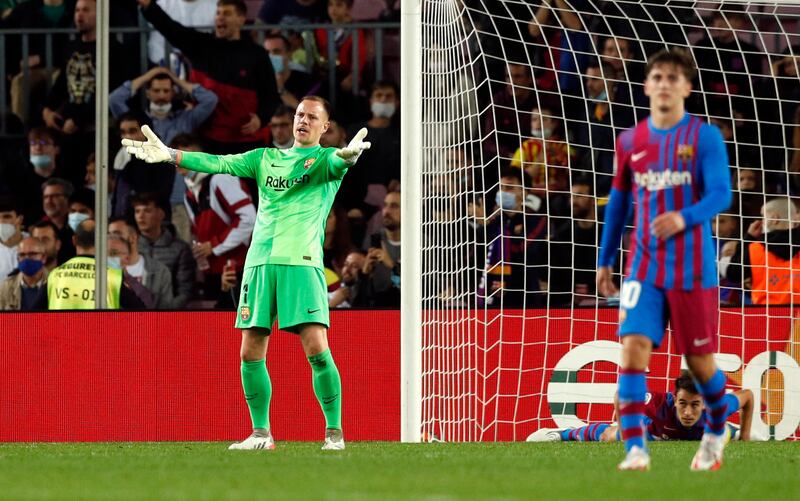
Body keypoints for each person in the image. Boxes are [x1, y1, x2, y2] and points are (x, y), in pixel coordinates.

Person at [123, 95, 371, 450]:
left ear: (325, 127)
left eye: (312, 117)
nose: (303, 121)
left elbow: (337, 160)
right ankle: (261, 434)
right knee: (250, 352)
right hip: (258, 263)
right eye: (299, 114)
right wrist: (173, 156)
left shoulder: (323, 161)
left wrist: (346, 156)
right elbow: (219, 163)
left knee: (316, 350)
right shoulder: (264, 158)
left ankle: (334, 433)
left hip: (300, 263)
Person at [596, 49, 733, 471]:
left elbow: (721, 194)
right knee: (633, 349)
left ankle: (715, 429)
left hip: (693, 269)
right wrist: (605, 261)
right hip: (644, 265)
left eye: (674, 77)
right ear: (646, 85)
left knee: (699, 363)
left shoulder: (703, 137)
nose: (664, 83)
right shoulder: (630, 141)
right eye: (657, 76)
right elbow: (618, 205)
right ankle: (636, 450)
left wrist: (683, 216)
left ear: (686, 88)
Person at [138, 0, 280, 154]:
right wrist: (149, 5)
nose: (220, 17)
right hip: (207, 140)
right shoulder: (201, 45)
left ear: (241, 18)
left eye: (227, 13)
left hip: (247, 142)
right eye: (218, 13)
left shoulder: (256, 54)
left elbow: (271, 95)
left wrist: (260, 119)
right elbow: (171, 28)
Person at [528, 372, 755, 443]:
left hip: (707, 429)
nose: (687, 412)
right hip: (655, 432)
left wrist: (745, 435)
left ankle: (734, 431)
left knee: (724, 433)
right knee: (612, 436)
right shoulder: (657, 405)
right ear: (674, 399)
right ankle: (561, 435)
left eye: (695, 406)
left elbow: (748, 396)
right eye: (682, 404)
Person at [42, 218, 144, 309]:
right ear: (102, 241)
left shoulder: (55, 275)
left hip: (63, 330)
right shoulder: (112, 277)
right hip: (100, 330)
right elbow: (141, 313)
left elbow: (33, 317)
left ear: (74, 240)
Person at [109, 66, 219, 146]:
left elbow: (210, 99)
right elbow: (114, 99)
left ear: (173, 93)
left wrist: (176, 80)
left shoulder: (186, 119)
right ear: (147, 93)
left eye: (166, 91)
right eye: (156, 90)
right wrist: (147, 77)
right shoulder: (137, 120)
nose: (161, 95)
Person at [723, 198, 800, 305]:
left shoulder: (755, 248)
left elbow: (733, 275)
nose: (761, 222)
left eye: (763, 217)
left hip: (765, 314)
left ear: (774, 219)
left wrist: (748, 238)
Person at [132, 192, 195, 308]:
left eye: (147, 211)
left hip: (168, 316)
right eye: (137, 211)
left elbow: (185, 291)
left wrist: (165, 313)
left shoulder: (180, 249)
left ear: (161, 214)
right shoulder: (130, 247)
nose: (141, 216)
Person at [109, 217, 179, 309]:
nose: (110, 239)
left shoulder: (160, 271)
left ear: (133, 237)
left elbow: (166, 311)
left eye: (117, 234)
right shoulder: (103, 270)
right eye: (108, 235)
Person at [0, 236, 49, 310]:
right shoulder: (6, 287)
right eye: (22, 255)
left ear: (44, 257)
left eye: (32, 254)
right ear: (18, 258)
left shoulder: (55, 284)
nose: (27, 258)